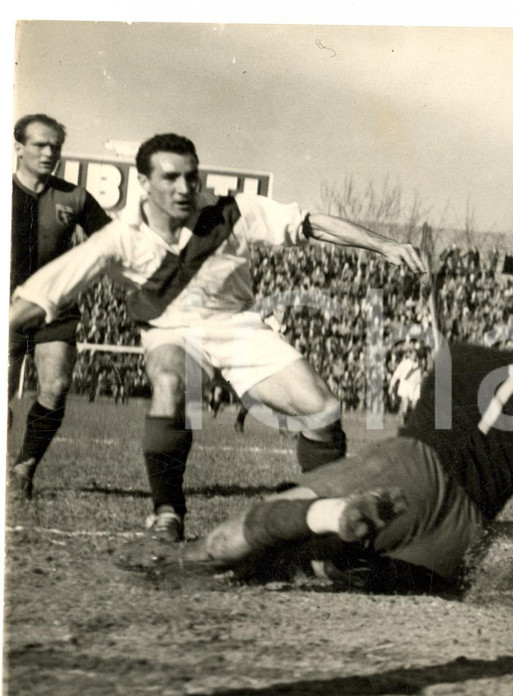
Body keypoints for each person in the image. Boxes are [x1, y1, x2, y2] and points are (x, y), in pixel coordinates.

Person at [10, 133, 426, 541]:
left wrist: (385, 246)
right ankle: (167, 513)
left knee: (322, 410)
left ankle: (324, 515)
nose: (184, 188)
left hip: (236, 326)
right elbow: (42, 292)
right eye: (170, 178)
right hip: (170, 331)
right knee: (171, 385)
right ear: (144, 182)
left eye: (191, 177)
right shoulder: (121, 236)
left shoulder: (232, 211)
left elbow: (311, 224)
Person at [115, 307, 513, 595]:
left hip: (408, 468)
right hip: (461, 530)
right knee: (407, 575)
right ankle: (341, 561)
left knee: (273, 520)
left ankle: (196, 557)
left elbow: (460, 428)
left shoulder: (461, 356)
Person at [8, 114, 113, 499]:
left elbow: (113, 239)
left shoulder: (76, 196)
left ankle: (24, 468)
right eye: (40, 144)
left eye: (55, 146)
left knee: (56, 385)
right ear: (18, 147)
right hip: (9, 309)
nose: (49, 152)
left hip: (56, 307)